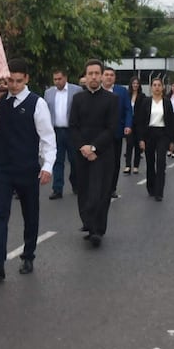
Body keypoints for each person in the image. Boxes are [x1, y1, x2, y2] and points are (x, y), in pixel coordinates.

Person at [0, 59, 56, 279]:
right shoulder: (0, 101)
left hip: (27, 168)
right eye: (10, 80)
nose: (13, 85)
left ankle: (28, 256)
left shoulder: (36, 103)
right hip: (2, 168)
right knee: (0, 214)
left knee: (30, 214)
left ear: (27, 79)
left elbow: (48, 138)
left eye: (18, 81)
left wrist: (48, 166)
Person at [70, 59, 119, 247]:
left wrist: (94, 148)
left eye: (96, 73)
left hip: (103, 153)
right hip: (81, 152)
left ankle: (98, 230)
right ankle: (89, 225)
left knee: (100, 192)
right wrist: (83, 147)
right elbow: (73, 126)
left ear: (101, 76)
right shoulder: (78, 99)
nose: (93, 77)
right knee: (83, 190)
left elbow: (111, 128)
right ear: (85, 76)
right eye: (90, 73)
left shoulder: (112, 99)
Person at [136, 78, 174, 201]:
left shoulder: (166, 102)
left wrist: (172, 141)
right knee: (150, 162)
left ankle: (159, 191)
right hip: (149, 134)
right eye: (154, 85)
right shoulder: (146, 102)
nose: (157, 87)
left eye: (159, 85)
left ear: (163, 87)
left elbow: (171, 123)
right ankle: (151, 187)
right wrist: (141, 139)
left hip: (162, 134)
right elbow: (140, 122)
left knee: (161, 161)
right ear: (151, 87)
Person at [44, 69, 83, 199]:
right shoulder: (48, 93)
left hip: (71, 130)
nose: (57, 82)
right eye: (55, 79)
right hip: (55, 130)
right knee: (57, 160)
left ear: (65, 78)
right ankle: (57, 188)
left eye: (59, 79)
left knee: (74, 160)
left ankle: (76, 184)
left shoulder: (76, 90)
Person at [101, 67, 133, 199]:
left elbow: (128, 110)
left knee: (114, 162)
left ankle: (112, 188)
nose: (109, 77)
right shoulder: (97, 90)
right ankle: (101, 187)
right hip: (99, 133)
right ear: (102, 77)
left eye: (111, 75)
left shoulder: (122, 91)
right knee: (100, 161)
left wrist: (127, 125)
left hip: (116, 132)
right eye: (106, 75)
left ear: (114, 78)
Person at [123, 76, 145, 175]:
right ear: (131, 84)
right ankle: (128, 165)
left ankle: (136, 166)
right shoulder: (127, 95)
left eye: (137, 83)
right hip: (129, 123)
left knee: (137, 145)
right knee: (129, 144)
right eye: (134, 83)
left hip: (139, 124)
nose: (135, 85)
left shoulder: (142, 96)